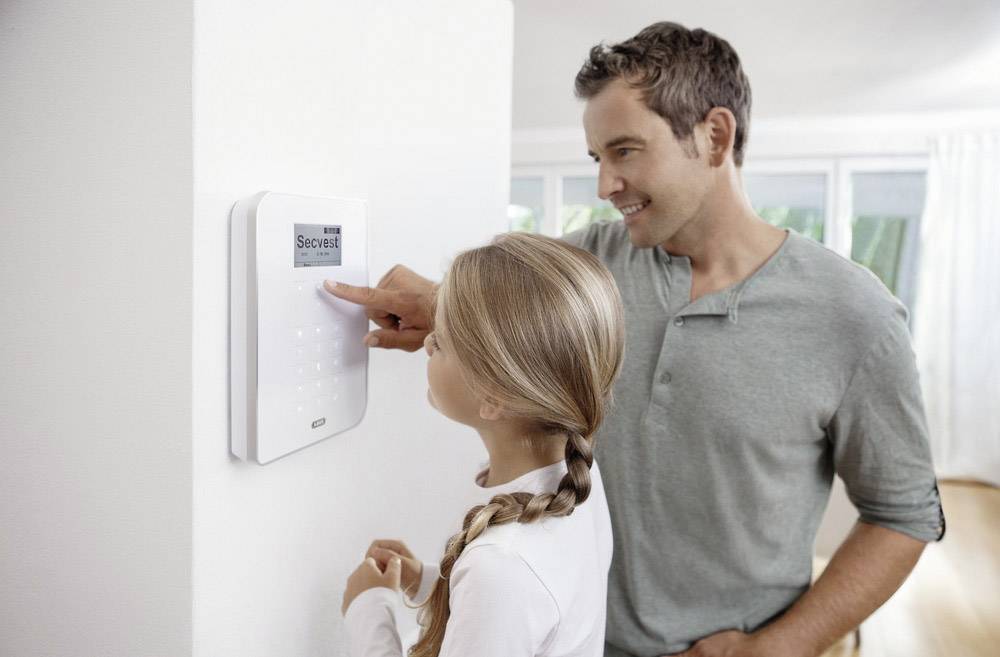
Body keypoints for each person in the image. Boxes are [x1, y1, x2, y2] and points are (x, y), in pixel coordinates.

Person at [331, 22, 945, 657]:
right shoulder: (591, 265)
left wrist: (776, 649)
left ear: (715, 135)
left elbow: (905, 516)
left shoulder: (854, 314)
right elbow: (511, 325)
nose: (604, 186)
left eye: (625, 151)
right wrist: (441, 305)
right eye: (597, 159)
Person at [339, 233, 626, 656]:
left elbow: (508, 588)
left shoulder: (500, 567)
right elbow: (530, 611)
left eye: (442, 341)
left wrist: (369, 611)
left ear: (495, 396)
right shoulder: (576, 475)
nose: (427, 343)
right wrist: (431, 582)